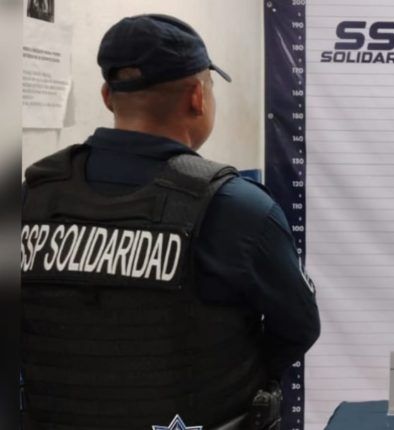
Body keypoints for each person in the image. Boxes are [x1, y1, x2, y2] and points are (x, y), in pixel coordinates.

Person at [20, 14, 320, 429]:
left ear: (107, 96)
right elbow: (299, 327)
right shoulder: (239, 208)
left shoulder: (33, 196)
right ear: (198, 97)